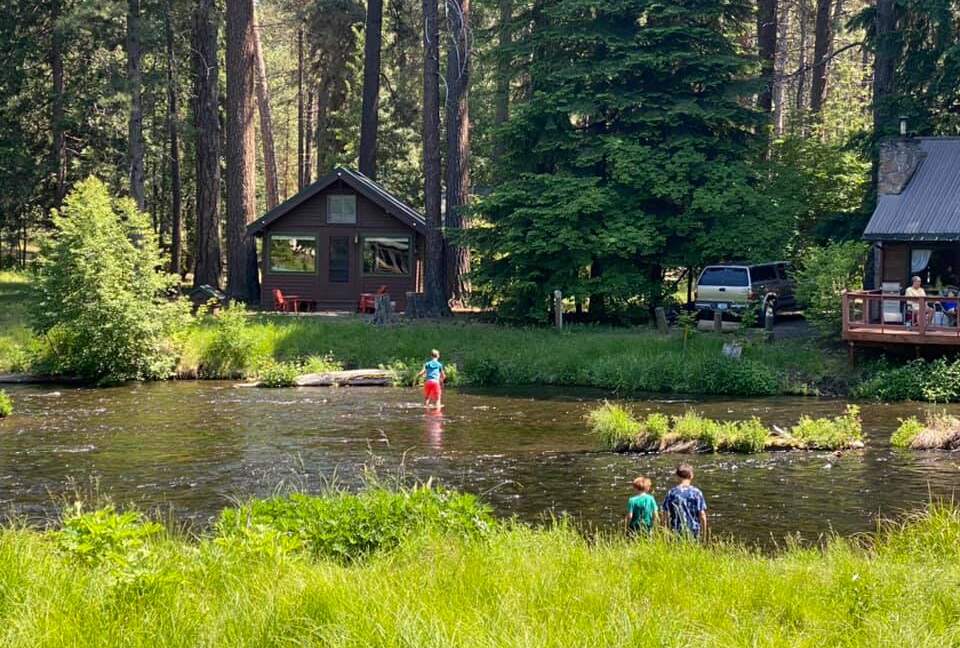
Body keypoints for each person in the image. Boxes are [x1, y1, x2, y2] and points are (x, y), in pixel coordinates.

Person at [662, 463, 708, 539]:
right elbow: (702, 514)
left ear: (677, 477)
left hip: (676, 531)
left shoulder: (672, 492)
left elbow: (665, 514)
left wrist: (665, 532)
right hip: (694, 531)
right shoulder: (697, 492)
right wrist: (704, 533)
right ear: (691, 476)